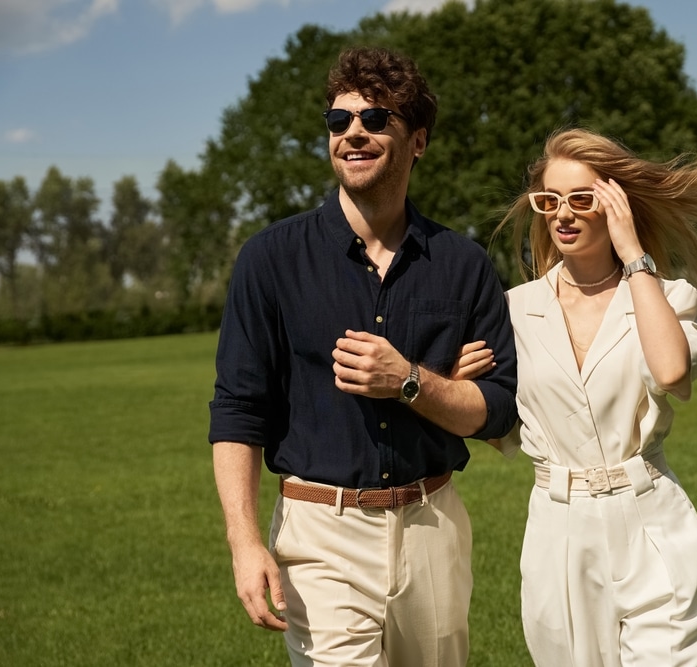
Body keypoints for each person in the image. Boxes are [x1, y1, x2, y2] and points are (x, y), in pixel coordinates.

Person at [208, 46, 518, 667]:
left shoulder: (463, 266)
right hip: (320, 533)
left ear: (418, 141)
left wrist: (409, 381)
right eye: (338, 120)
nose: (353, 132)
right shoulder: (271, 260)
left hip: (434, 526)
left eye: (375, 120)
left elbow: (498, 412)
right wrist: (244, 543)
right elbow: (238, 410)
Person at [457, 128, 697, 666]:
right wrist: (456, 380)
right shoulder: (514, 310)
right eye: (549, 201)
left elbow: (670, 372)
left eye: (583, 199)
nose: (562, 214)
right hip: (557, 531)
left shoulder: (666, 297)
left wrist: (634, 254)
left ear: (615, 203)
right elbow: (487, 415)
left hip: (651, 522)